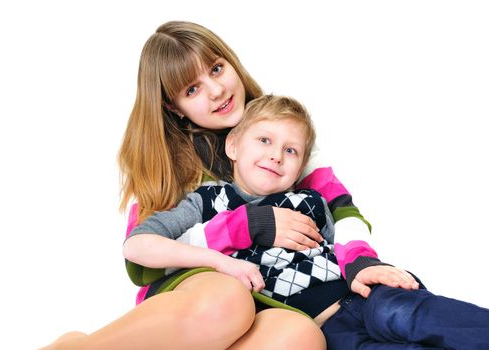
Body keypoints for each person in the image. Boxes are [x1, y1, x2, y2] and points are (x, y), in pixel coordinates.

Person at [39, 20, 415, 349]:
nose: (216, 91)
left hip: (265, 292)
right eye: (192, 90)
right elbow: (144, 262)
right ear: (173, 107)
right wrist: (244, 227)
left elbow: (341, 208)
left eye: (217, 69)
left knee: (302, 336)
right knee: (227, 301)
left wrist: (364, 262)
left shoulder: (280, 132)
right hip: (198, 286)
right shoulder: (169, 165)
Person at [127, 94, 489, 349]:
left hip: (360, 294)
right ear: (233, 146)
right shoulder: (207, 202)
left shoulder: (311, 199)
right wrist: (223, 262)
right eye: (264, 140)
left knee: (407, 316)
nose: (275, 155)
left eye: (290, 150)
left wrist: (364, 264)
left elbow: (344, 243)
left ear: (301, 165)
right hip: (324, 330)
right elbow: (138, 246)